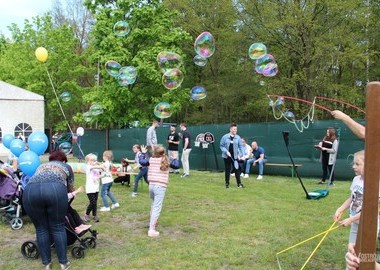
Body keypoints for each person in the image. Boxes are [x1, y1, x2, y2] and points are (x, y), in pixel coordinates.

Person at [22, 150, 74, 270]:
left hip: (30, 191)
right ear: (63, 160)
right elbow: (70, 188)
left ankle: (47, 264)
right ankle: (63, 263)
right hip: (54, 189)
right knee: (58, 227)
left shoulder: (41, 166)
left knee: (41, 229)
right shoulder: (66, 166)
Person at [334, 150, 364, 248]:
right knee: (351, 248)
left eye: (357, 164)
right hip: (356, 222)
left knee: (365, 252)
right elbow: (352, 197)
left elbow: (370, 210)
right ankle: (351, 263)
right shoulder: (356, 180)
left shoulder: (375, 184)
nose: (353, 166)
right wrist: (340, 209)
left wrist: (351, 219)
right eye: (353, 163)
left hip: (369, 224)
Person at [147, 144, 170, 237]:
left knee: (153, 205)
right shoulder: (165, 160)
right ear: (163, 153)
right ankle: (151, 229)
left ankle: (153, 223)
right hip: (160, 186)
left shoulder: (151, 160)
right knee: (157, 207)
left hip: (151, 185)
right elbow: (176, 165)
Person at [220, 123, 245, 188]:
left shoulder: (238, 137)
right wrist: (226, 151)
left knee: (237, 170)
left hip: (235, 156)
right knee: (227, 170)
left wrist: (241, 154)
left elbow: (241, 147)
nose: (235, 130)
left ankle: (239, 184)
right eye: (234, 129)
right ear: (230, 129)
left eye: (236, 129)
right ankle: (227, 183)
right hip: (227, 156)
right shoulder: (225, 137)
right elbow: (221, 146)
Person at [83, 153, 103, 223]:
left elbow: (99, 175)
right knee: (93, 202)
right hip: (90, 188)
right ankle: (86, 215)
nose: (94, 162)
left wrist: (102, 169)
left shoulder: (97, 167)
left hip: (96, 188)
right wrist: (99, 166)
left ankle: (94, 215)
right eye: (92, 160)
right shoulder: (88, 167)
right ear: (88, 161)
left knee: (95, 202)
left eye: (95, 160)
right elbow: (93, 167)